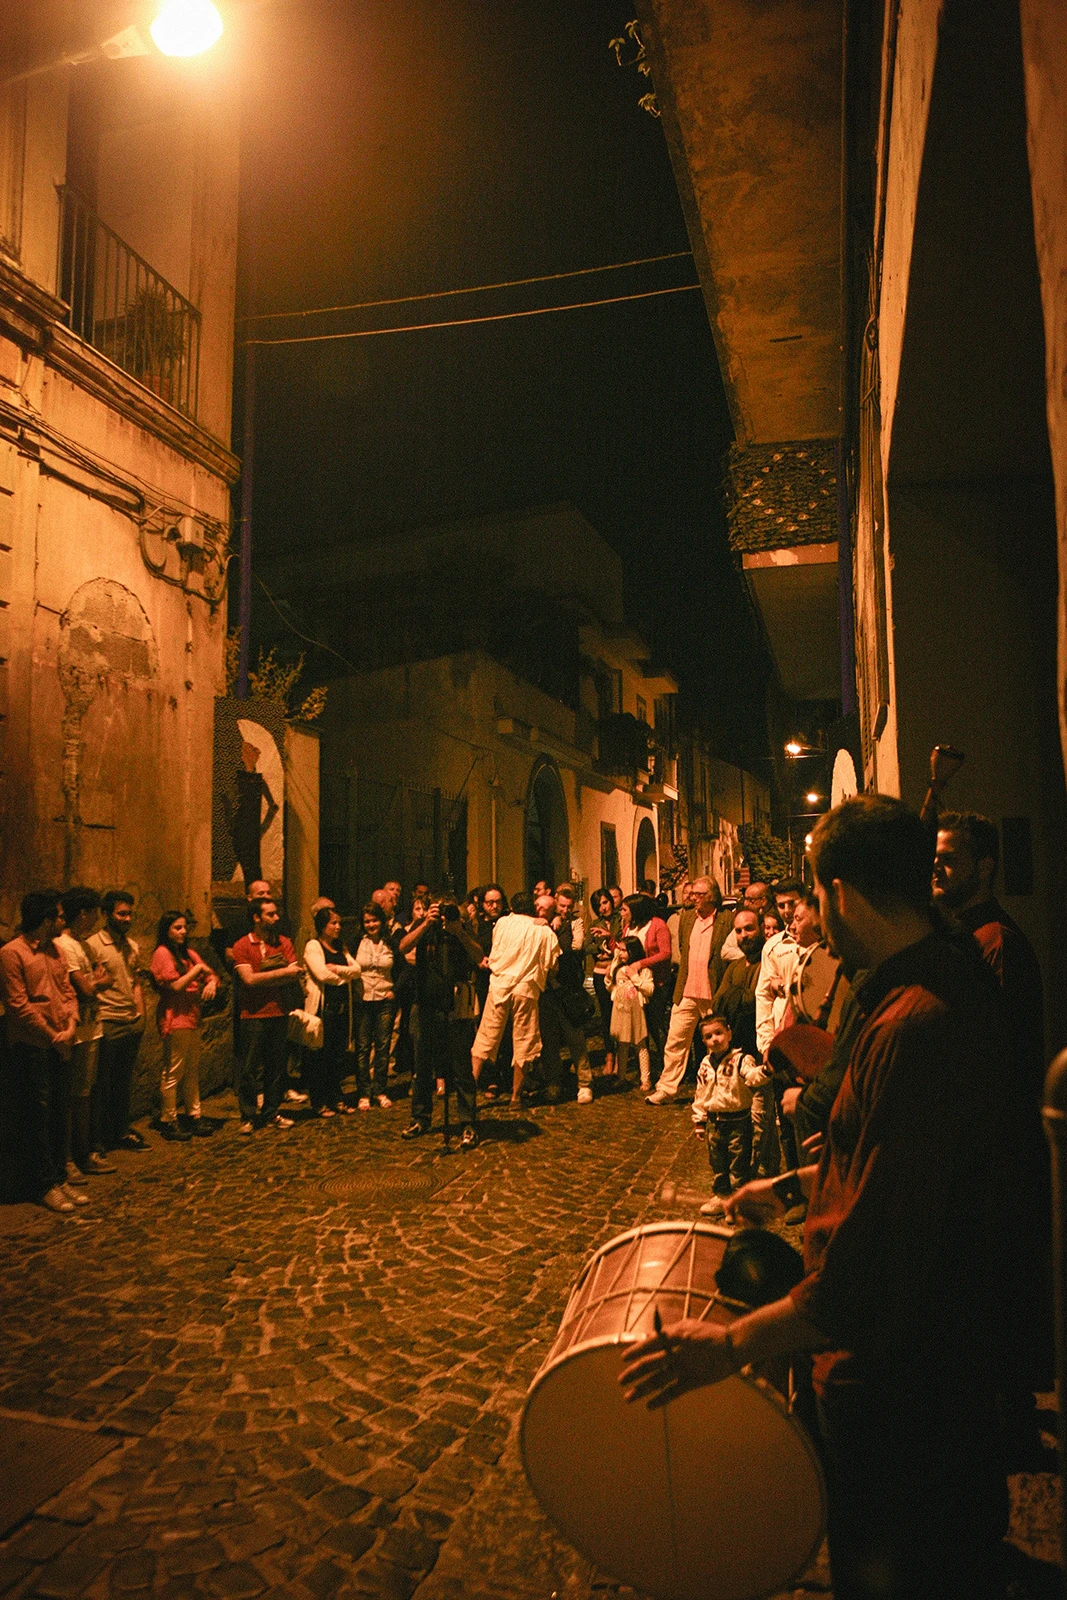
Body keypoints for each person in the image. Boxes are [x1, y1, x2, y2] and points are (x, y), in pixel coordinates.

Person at [621, 795, 1017, 1600]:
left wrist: (729, 1347)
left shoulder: (918, 1022)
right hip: (903, 1387)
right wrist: (791, 1186)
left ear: (838, 891)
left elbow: (870, 1266)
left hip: (907, 1402)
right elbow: (887, 1153)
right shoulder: (911, 987)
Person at [933, 808, 1052, 1467]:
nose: (935, 869)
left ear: (982, 868)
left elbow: (996, 1062)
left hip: (998, 1156)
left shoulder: (993, 944)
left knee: (999, 1296)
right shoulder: (967, 937)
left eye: (947, 859)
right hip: (985, 1153)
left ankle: (1012, 1433)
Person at [0, 891, 80, 1212]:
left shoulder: (56, 950)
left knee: (60, 1109)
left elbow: (68, 991)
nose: (63, 921)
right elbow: (18, 1006)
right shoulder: (11, 954)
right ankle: (42, 1183)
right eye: (59, 916)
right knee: (37, 1115)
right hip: (32, 1046)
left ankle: (59, 1177)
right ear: (45, 920)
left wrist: (70, 1027)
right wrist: (52, 1036)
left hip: (62, 1041)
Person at [401, 897, 483, 1143]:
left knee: (461, 1068)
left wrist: (459, 932)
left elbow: (479, 956)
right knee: (422, 1066)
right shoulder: (425, 928)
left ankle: (468, 1122)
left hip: (455, 1007)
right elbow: (403, 947)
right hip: (426, 1004)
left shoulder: (460, 932)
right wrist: (426, 924)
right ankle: (420, 1118)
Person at [646, 877, 733, 1105]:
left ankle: (719, 1088)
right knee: (675, 1040)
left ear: (712, 896)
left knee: (718, 1044)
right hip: (686, 990)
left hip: (712, 992)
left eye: (699, 894)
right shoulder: (686, 919)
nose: (693, 897)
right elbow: (685, 951)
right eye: (692, 893)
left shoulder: (726, 920)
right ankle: (666, 1088)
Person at [471, 891, 558, 1106]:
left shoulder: (501, 923)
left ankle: (469, 1091)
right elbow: (552, 965)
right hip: (526, 988)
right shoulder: (544, 932)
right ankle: (515, 1096)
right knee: (524, 1041)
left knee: (485, 1037)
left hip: (499, 984)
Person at [55, 887, 113, 1179]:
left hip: (94, 1026)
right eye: (94, 914)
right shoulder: (66, 946)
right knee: (71, 1096)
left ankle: (85, 1151)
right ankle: (68, 1159)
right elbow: (88, 987)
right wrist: (96, 982)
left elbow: (107, 975)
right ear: (83, 914)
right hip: (76, 1030)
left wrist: (97, 981)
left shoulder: (85, 945)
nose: (96, 920)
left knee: (86, 1094)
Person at [712, 907, 776, 1176]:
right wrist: (738, 998)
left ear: (761, 928)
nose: (744, 935)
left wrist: (737, 999)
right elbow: (719, 1004)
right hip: (736, 1058)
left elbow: (752, 1003)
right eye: (738, 931)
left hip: (760, 1054)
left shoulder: (767, 964)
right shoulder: (735, 967)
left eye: (749, 928)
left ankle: (765, 1173)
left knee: (762, 1121)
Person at [232, 898, 302, 1135]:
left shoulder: (284, 942)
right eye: (270, 914)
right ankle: (248, 1115)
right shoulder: (242, 945)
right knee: (250, 1067)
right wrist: (281, 973)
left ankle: (272, 1111)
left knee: (276, 1067)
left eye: (276, 913)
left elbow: (295, 974)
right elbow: (248, 980)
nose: (276, 918)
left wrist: (268, 975)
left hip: (279, 1011)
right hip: (252, 1014)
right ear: (256, 917)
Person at [149, 912, 220, 1140]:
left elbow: (210, 973)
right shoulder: (162, 953)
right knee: (173, 1069)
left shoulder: (187, 954)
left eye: (184, 928)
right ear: (166, 930)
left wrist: (211, 983)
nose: (182, 932)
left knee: (191, 1068)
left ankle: (193, 1114)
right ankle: (168, 1118)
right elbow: (177, 985)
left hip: (191, 1015)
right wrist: (198, 972)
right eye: (177, 928)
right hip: (175, 1015)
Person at [690, 1013, 770, 1213]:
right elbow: (701, 1093)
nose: (714, 1039)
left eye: (718, 1033)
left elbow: (752, 1077)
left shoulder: (741, 1060)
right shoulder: (705, 1065)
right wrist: (699, 1120)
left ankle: (739, 1199)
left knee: (738, 1163)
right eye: (708, 1036)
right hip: (715, 1123)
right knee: (718, 1162)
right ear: (703, 1041)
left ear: (729, 1033)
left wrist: (765, 1071)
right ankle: (722, 1196)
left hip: (738, 1122)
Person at [88, 891, 148, 1152]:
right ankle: (97, 1138)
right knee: (101, 1082)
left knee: (123, 1082)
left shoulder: (132, 945)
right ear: (107, 914)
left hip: (129, 1020)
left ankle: (120, 1131)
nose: (127, 918)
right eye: (121, 913)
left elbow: (135, 981)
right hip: (107, 1019)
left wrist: (140, 1014)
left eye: (129, 913)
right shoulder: (93, 945)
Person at [303, 906, 362, 1114]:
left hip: (342, 1009)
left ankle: (336, 1098)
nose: (338, 927)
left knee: (338, 1056)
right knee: (321, 1056)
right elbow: (321, 974)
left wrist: (338, 970)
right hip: (323, 1009)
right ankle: (319, 1102)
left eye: (339, 923)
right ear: (322, 926)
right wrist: (343, 977)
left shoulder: (341, 948)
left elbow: (357, 970)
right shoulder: (313, 946)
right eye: (333, 923)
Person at [540, 884, 595, 1104]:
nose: (564, 910)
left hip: (568, 989)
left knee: (575, 1037)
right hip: (547, 990)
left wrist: (560, 928)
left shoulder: (574, 924)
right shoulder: (544, 923)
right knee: (549, 1040)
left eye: (568, 906)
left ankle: (585, 1083)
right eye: (561, 906)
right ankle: (554, 1082)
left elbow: (574, 951)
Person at [352, 902, 398, 1110]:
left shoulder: (391, 942)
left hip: (384, 999)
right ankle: (363, 1092)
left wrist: (395, 990)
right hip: (363, 1000)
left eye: (374, 920)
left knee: (382, 1047)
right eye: (367, 921)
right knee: (362, 1047)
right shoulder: (356, 942)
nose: (371, 925)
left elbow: (403, 967)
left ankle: (380, 1089)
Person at [620, 893, 672, 1058]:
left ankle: (668, 1060)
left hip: (656, 981)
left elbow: (665, 953)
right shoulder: (629, 927)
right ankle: (647, 1063)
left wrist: (641, 964)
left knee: (656, 1024)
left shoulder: (657, 925)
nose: (622, 913)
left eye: (624, 909)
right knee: (641, 1026)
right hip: (634, 983)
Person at [473, 885, 510, 1098]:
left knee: (506, 1030)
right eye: (489, 902)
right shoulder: (478, 926)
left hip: (505, 981)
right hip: (485, 982)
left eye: (497, 902)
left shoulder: (509, 922)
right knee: (487, 1030)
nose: (494, 906)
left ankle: (505, 1075)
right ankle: (491, 1077)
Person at [606, 935, 653, 1088]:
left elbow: (649, 989)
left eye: (624, 950)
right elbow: (610, 984)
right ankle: (621, 1076)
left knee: (640, 1043)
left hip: (636, 1011)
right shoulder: (617, 967)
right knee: (622, 1043)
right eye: (619, 950)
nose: (620, 953)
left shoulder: (643, 970)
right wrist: (609, 980)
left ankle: (645, 1078)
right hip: (620, 1010)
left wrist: (635, 978)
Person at [588, 887, 621, 1073]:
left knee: (620, 1013)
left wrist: (610, 937)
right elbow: (587, 946)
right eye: (598, 905)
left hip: (618, 973)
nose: (602, 908)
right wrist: (599, 950)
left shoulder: (620, 919)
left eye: (605, 902)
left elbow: (626, 941)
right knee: (606, 1015)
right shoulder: (594, 923)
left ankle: (620, 1056)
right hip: (600, 973)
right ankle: (609, 1055)